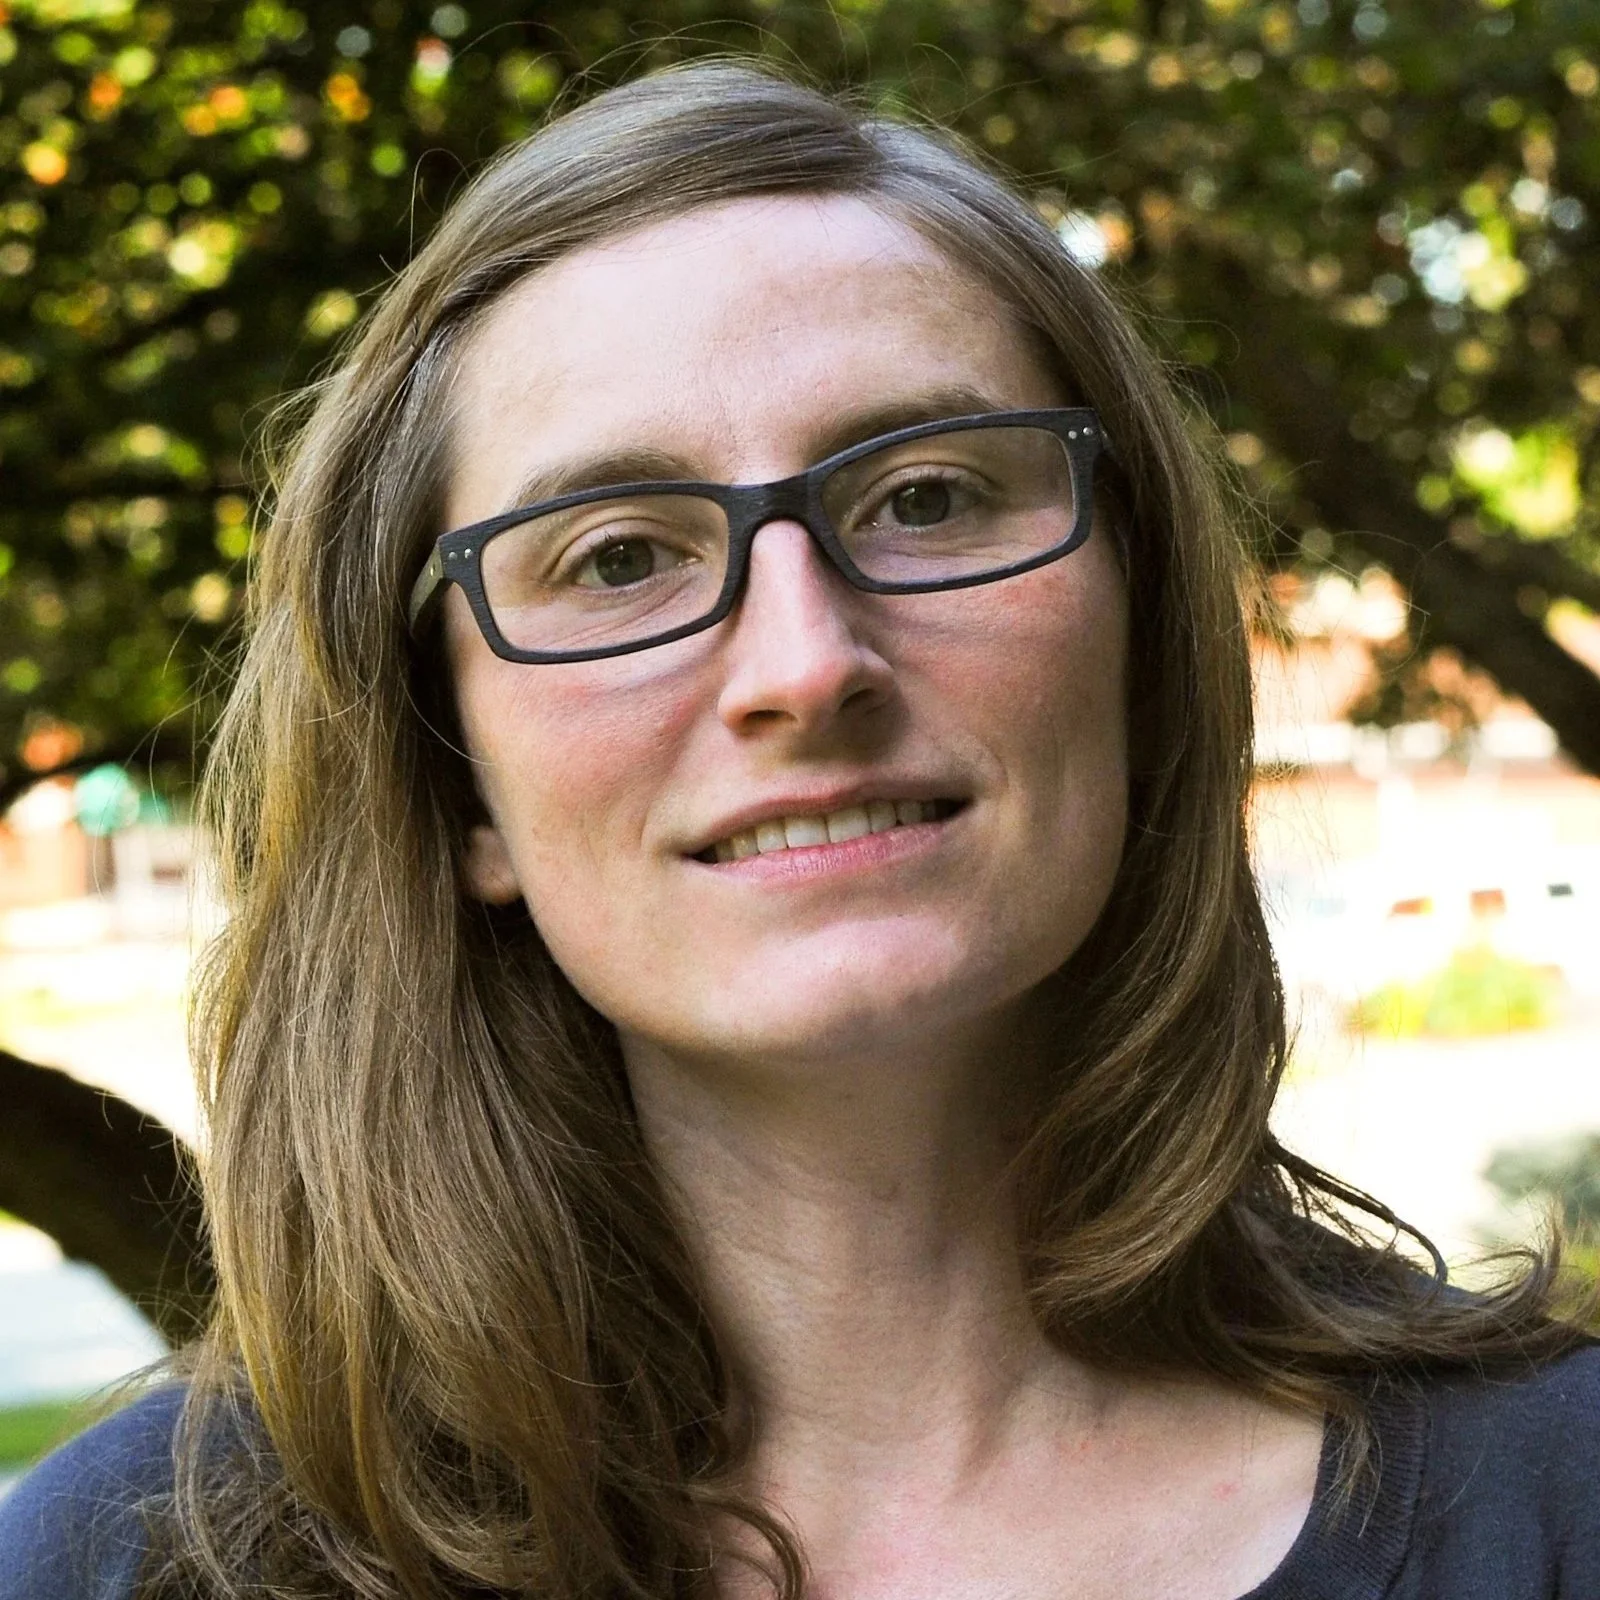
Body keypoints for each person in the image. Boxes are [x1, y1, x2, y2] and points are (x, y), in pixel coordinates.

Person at [3, 58, 1597, 1600]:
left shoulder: (1565, 1507)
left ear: (1145, 650)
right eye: (619, 558)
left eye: (928, 497)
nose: (804, 666)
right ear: (455, 779)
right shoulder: (127, 1571)